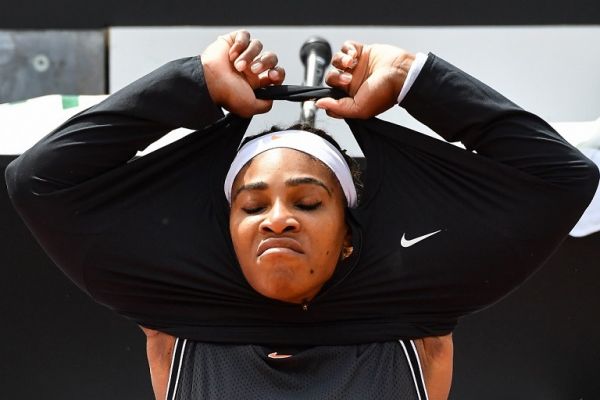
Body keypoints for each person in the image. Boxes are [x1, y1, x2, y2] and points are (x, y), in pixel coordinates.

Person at [5, 30, 598, 400]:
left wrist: (414, 78)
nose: (278, 219)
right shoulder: (177, 319)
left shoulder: (413, 319)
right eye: (253, 204)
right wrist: (193, 84)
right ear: (225, 230)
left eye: (309, 201)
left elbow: (564, 180)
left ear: (349, 238)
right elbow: (38, 180)